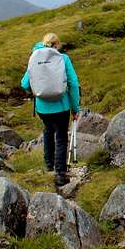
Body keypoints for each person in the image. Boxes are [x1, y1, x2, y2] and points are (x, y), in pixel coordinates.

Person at [21, 33, 79, 186]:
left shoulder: (34, 58)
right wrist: (75, 107)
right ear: (56, 45)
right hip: (62, 106)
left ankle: (48, 165)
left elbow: (25, 84)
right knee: (61, 137)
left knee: (48, 130)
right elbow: (73, 84)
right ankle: (60, 173)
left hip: (42, 107)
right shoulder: (63, 59)